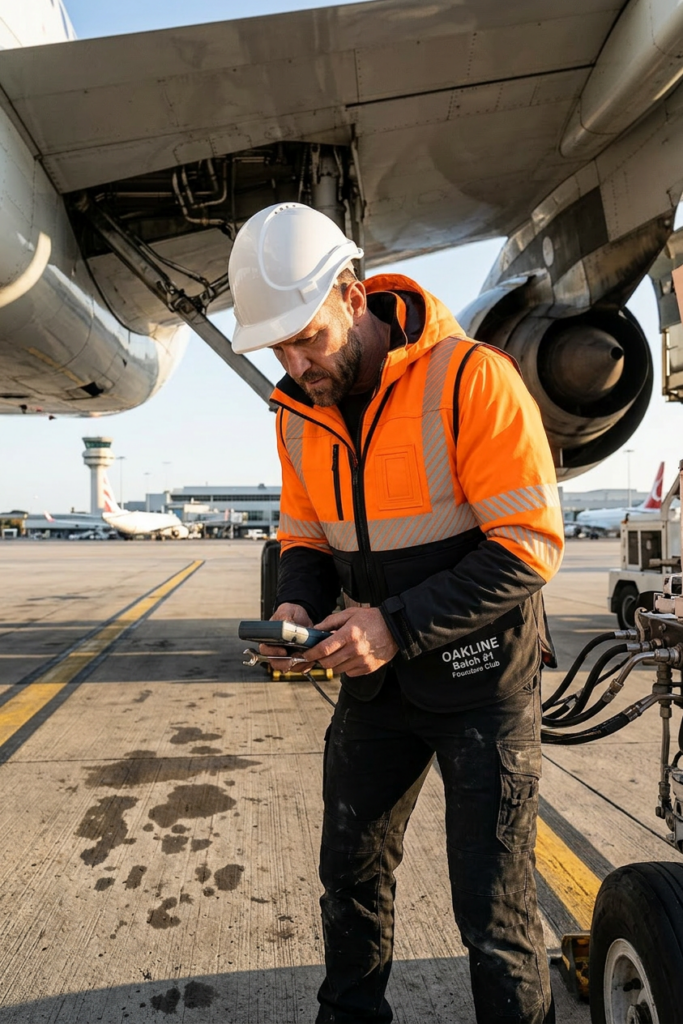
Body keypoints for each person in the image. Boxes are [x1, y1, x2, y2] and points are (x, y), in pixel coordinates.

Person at [228, 202, 564, 1024]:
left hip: (480, 684)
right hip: (378, 692)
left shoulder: (469, 377)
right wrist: (295, 607)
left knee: (493, 915)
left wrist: (392, 625)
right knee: (348, 879)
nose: (297, 361)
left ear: (351, 294)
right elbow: (304, 536)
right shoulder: (297, 412)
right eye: (277, 346)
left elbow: (526, 546)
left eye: (308, 337)